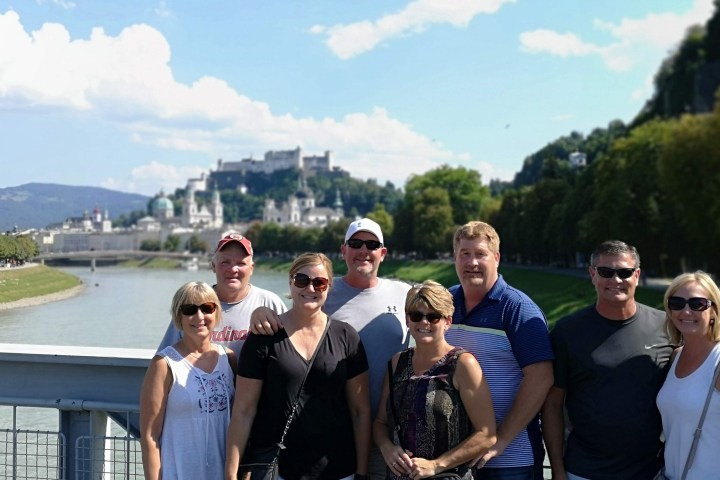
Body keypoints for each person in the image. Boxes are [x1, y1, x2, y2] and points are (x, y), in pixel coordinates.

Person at [251, 218, 411, 479]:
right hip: (337, 434)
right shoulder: (322, 288)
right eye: (355, 243)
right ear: (343, 250)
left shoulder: (404, 293)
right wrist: (259, 311)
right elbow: (287, 322)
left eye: (371, 244)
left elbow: (439, 312)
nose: (363, 250)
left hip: (389, 433)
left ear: (383, 253)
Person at [226, 252, 372, 480]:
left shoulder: (346, 336)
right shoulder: (264, 337)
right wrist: (231, 474)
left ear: (329, 286)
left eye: (319, 282)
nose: (310, 288)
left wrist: (362, 473)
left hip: (337, 469)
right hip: (278, 470)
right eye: (302, 280)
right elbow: (243, 411)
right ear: (290, 281)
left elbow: (360, 411)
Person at [542, 240, 673, 480]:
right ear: (592, 274)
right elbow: (552, 404)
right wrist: (558, 470)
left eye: (624, 273)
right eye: (606, 272)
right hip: (583, 471)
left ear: (637, 275)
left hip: (652, 472)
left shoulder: (666, 328)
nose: (616, 280)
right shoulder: (567, 332)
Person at [444, 221, 553, 480]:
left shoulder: (517, 309)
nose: (472, 262)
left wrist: (501, 438)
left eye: (480, 254)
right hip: (456, 458)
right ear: (455, 259)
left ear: (496, 258)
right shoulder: (446, 303)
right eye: (465, 254)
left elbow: (542, 377)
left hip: (511, 459)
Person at [373, 280, 497, 480]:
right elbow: (380, 422)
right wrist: (388, 448)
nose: (424, 323)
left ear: (447, 321)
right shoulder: (397, 363)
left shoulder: (463, 364)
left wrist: (436, 465)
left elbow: (487, 435)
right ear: (407, 320)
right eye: (416, 315)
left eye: (433, 317)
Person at [140, 281, 235, 480]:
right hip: (179, 473)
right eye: (190, 309)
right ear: (178, 316)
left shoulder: (229, 359)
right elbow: (150, 436)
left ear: (216, 313)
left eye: (207, 308)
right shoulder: (164, 364)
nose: (199, 317)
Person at [157, 232, 287, 355]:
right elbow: (165, 356)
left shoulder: (270, 302)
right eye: (225, 262)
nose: (233, 269)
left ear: (251, 268)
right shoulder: (191, 304)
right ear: (213, 266)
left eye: (241, 263)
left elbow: (291, 351)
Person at [656, 271, 720, 479]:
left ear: (714, 311)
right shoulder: (675, 357)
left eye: (697, 304)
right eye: (677, 303)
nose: (686, 311)